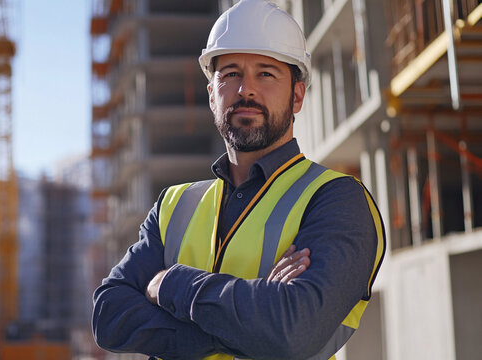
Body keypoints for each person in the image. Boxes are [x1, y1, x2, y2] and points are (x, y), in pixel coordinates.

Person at [92, 1, 386, 359]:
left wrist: (169, 283)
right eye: (230, 73)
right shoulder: (174, 205)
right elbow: (108, 315)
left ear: (297, 95)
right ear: (212, 94)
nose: (246, 89)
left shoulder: (338, 201)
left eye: (266, 74)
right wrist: (233, 329)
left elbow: (293, 329)